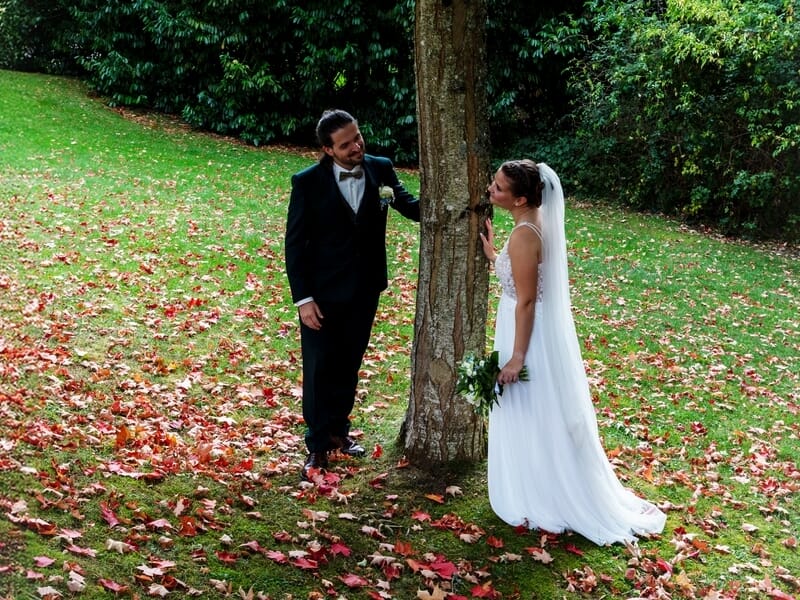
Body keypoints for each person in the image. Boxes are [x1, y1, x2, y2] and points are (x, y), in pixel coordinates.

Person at [479, 159, 666, 545]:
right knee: (538, 406)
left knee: (532, 404)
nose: (490, 191)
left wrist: (516, 357)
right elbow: (523, 276)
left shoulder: (525, 235)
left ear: (521, 199)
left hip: (526, 331)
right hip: (529, 323)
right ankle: (537, 476)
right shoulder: (532, 224)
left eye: (497, 188)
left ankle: (544, 489)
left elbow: (526, 300)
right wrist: (496, 257)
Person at [285, 109, 420, 481]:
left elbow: (409, 205)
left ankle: (339, 432)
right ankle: (316, 447)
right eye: (346, 144)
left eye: (357, 138)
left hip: (365, 289)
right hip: (322, 296)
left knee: (348, 364)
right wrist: (303, 299)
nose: (356, 147)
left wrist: (453, 210)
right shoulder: (307, 183)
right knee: (318, 370)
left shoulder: (381, 168)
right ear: (328, 149)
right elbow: (294, 246)